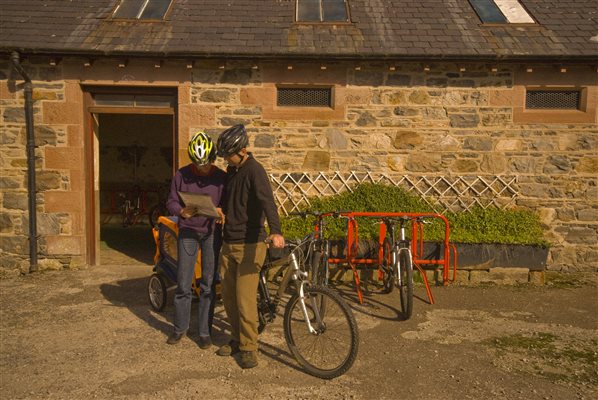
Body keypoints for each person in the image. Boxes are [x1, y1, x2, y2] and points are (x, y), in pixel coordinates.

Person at [215, 124, 284, 369]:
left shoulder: (255, 170)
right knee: (230, 300)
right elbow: (228, 201)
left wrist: (275, 231)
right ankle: (236, 338)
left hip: (250, 244)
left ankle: (249, 348)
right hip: (229, 243)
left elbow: (268, 202)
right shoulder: (232, 171)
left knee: (245, 301)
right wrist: (220, 210)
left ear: (242, 150)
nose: (226, 159)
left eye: (229, 154)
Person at [165, 131, 226, 349]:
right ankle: (179, 329)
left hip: (211, 233)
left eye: (206, 165)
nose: (202, 170)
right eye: (198, 166)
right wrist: (181, 211)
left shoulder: (221, 176)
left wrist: (221, 212)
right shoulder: (181, 175)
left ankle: (204, 332)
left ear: (212, 158)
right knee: (183, 283)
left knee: (209, 284)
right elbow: (171, 201)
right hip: (188, 232)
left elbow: (227, 204)